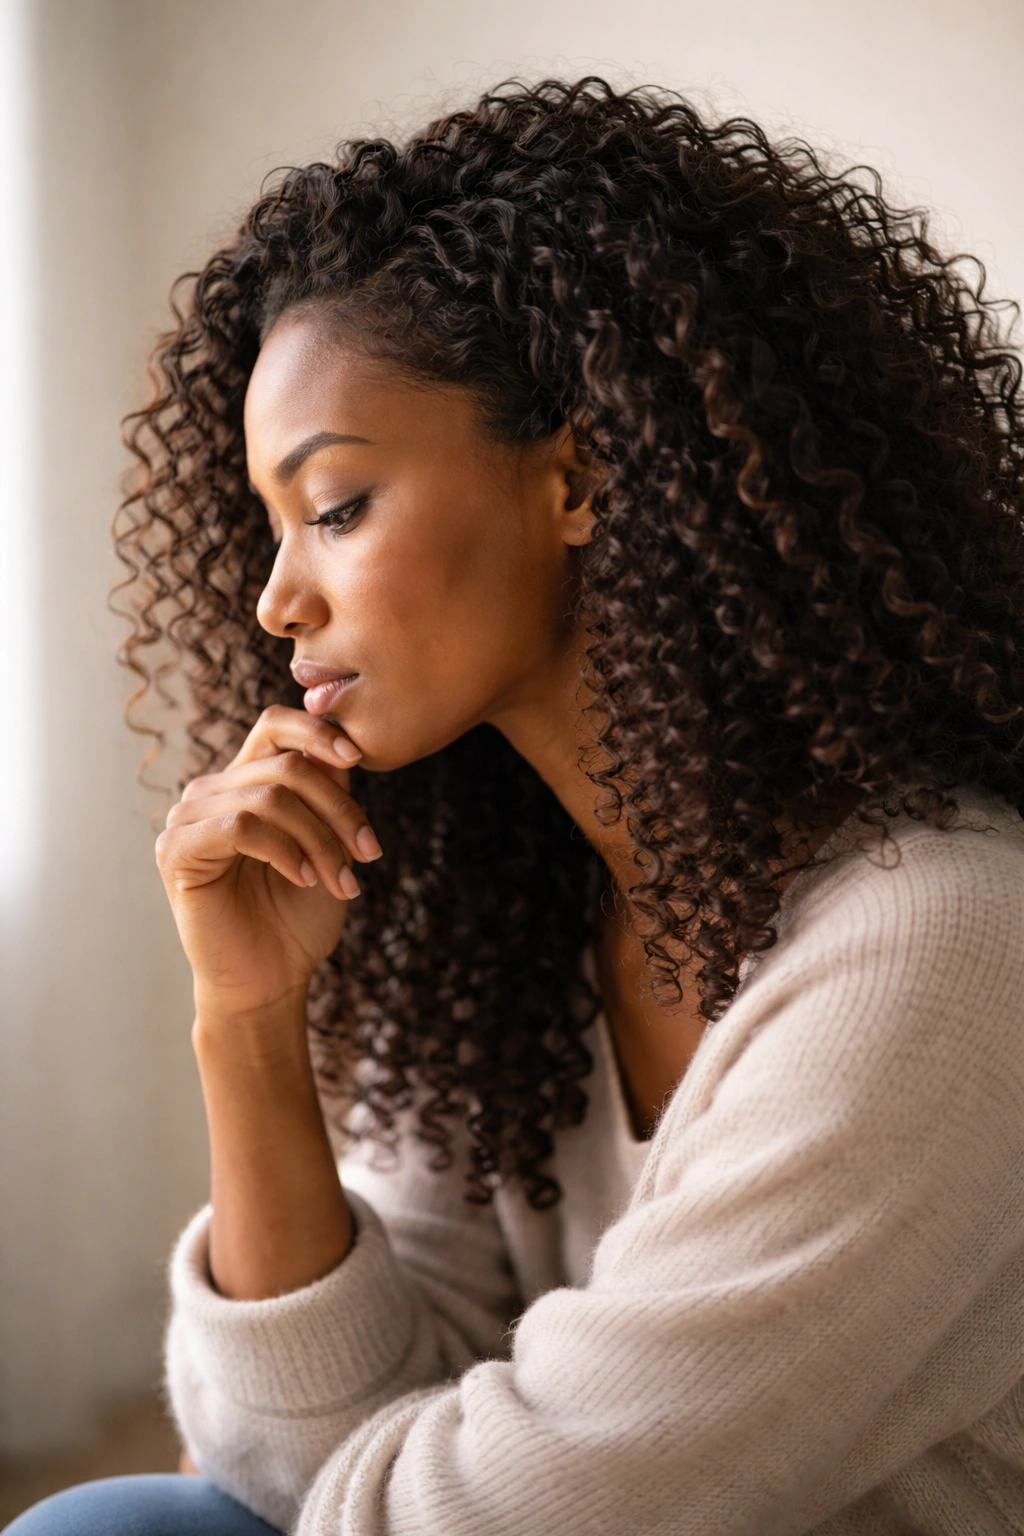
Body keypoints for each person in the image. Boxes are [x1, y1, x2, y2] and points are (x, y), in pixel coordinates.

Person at [9, 77, 1024, 1536]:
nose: (276, 599)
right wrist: (246, 1023)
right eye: (269, 527)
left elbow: (503, 1514)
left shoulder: (942, 942)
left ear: (581, 475)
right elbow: (272, 1464)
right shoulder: (514, 916)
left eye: (335, 507)